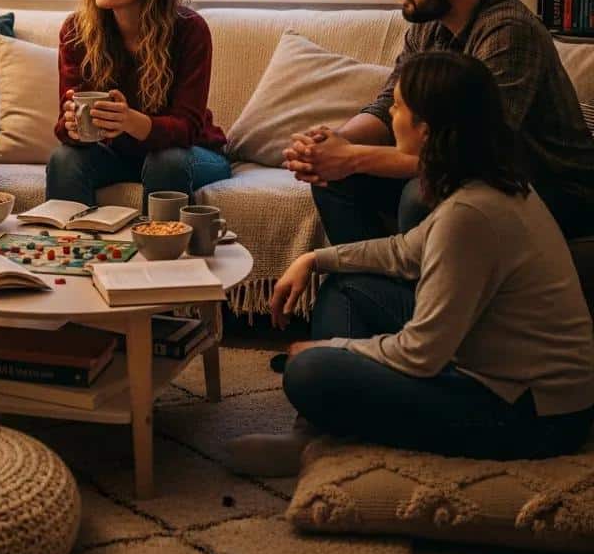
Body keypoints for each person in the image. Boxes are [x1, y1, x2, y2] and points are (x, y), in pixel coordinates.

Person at [227, 51, 594, 474]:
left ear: (426, 128)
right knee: (345, 286)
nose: (392, 115)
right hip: (507, 379)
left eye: (399, 106)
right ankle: (322, 430)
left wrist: (331, 348)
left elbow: (422, 354)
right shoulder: (485, 183)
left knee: (309, 371)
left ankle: (323, 438)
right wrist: (315, 258)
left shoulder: (471, 213)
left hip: (530, 413)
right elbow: (405, 250)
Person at [283, 0, 594, 242]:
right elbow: (390, 106)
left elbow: (474, 153)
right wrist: (333, 144)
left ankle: (418, 292)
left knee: (421, 194)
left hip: (557, 190)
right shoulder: (428, 23)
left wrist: (351, 158)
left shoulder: (510, 33)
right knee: (332, 178)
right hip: (471, 169)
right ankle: (370, 290)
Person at [46, 0, 231, 210]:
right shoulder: (76, 31)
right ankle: (69, 252)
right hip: (115, 155)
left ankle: (162, 253)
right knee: (64, 158)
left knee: (166, 161)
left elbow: (185, 128)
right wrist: (72, 127)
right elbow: (65, 124)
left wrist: (129, 121)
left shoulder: (188, 30)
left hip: (190, 153)